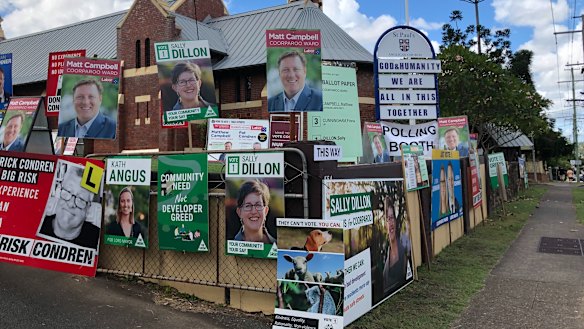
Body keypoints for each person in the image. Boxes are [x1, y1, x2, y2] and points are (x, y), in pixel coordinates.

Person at [38, 164, 99, 250]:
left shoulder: (98, 241)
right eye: (68, 191)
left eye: (81, 199)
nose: (71, 204)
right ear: (59, 192)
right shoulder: (38, 226)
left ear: (88, 208)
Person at [382, 196, 408, 294]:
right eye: (388, 219)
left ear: (396, 221)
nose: (391, 223)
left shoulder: (404, 250)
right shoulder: (386, 254)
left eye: (392, 218)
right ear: (385, 224)